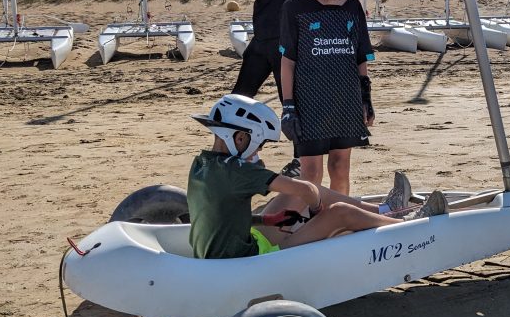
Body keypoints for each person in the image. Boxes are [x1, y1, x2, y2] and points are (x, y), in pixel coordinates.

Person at [187, 94, 447, 260]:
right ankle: (411, 225)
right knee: (340, 211)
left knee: (295, 191)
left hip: (234, 247)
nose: (258, 152)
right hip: (249, 260)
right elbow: (307, 193)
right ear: (242, 137)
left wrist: (268, 218)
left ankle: (388, 209)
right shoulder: (239, 170)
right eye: (260, 145)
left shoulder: (201, 164)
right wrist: (317, 208)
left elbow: (222, 213)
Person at [279, 0, 375, 194]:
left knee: (340, 166)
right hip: (309, 102)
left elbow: (360, 56)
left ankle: (340, 216)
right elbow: (287, 61)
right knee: (311, 171)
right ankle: (311, 222)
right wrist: (288, 106)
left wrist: (365, 97)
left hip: (345, 99)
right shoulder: (294, 7)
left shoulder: (352, 7)